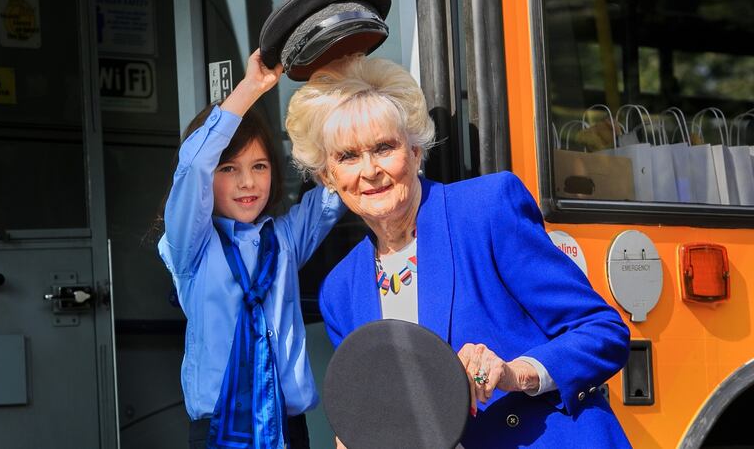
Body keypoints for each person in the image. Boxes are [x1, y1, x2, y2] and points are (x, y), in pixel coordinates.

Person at [285, 54, 632, 448]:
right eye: (347, 156)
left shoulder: (486, 210)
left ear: (415, 152)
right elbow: (387, 414)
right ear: (328, 177)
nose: (369, 171)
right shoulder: (340, 292)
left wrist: (516, 373)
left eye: (384, 147)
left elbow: (603, 332)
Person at [158, 49, 346, 449]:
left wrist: (337, 80)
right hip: (219, 432)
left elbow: (336, 186)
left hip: (288, 429)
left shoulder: (285, 238)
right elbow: (192, 169)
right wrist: (250, 89)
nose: (248, 182)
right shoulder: (190, 248)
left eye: (259, 166)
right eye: (229, 168)